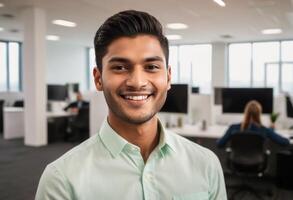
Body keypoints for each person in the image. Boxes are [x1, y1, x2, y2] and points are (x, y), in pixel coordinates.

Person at [36, 10, 227, 200]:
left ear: (168, 77)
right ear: (98, 79)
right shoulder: (61, 180)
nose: (137, 82)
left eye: (151, 67)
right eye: (120, 67)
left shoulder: (206, 164)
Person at [217, 100, 290, 148]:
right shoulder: (264, 130)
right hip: (257, 165)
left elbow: (220, 144)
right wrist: (271, 130)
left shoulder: (233, 128)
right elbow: (285, 142)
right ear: (259, 114)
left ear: (246, 112)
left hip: (236, 163)